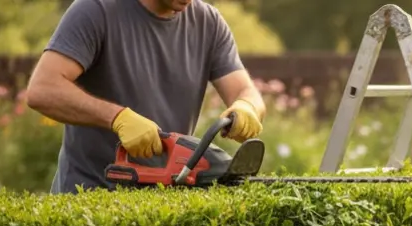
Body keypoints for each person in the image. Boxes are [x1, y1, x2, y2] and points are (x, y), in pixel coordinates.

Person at [25, 0, 266, 193]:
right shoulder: (96, 10)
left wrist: (246, 106)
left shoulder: (208, 23)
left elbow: (246, 92)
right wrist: (117, 118)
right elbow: (43, 89)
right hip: (89, 199)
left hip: (163, 203)